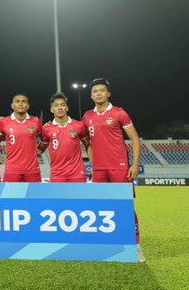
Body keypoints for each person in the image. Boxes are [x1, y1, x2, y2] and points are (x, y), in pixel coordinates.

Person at [82, 77, 145, 262]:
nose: (98, 93)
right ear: (91, 95)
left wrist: (134, 164)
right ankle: (107, 245)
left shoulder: (119, 113)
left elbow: (134, 139)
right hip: (100, 170)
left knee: (126, 207)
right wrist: (93, 164)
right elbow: (86, 142)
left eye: (102, 90)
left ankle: (136, 246)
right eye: (95, 91)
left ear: (108, 93)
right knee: (102, 208)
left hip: (119, 168)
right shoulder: (88, 116)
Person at [37, 92, 89, 182]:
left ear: (67, 108)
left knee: (79, 196)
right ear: (52, 109)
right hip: (57, 175)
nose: (60, 108)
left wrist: (94, 166)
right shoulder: (46, 129)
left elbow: (88, 145)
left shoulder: (79, 125)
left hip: (77, 173)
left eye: (63, 105)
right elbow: (40, 149)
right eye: (56, 105)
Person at [0, 93, 42, 182]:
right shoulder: (4, 122)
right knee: (10, 195)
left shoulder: (36, 121)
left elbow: (45, 138)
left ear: (28, 106)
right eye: (17, 102)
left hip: (32, 169)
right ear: (12, 106)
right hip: (12, 170)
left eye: (23, 102)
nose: (21, 104)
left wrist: (39, 150)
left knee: (34, 195)